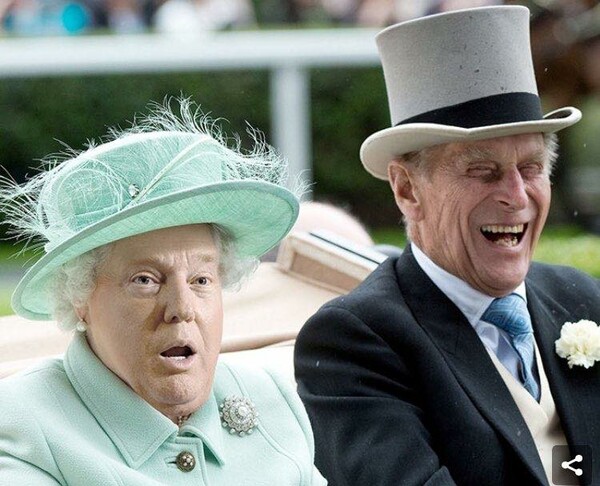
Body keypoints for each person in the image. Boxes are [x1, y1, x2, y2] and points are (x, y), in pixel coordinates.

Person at [294, 6, 600, 486]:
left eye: (531, 168)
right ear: (407, 190)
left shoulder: (580, 297)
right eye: (483, 171)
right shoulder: (356, 342)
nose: (517, 196)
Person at [0, 99, 327, 485]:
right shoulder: (22, 425)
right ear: (80, 297)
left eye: (201, 280)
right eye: (146, 280)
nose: (182, 309)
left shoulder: (271, 398)